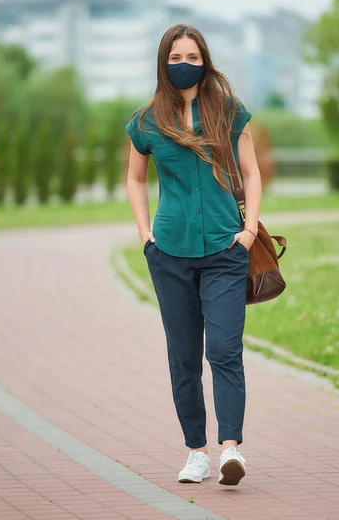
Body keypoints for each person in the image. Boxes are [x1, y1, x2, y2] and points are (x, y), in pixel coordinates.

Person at [125, 24, 262, 486]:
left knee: (224, 350)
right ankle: (196, 452)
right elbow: (133, 178)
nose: (184, 65)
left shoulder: (228, 112)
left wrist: (248, 231)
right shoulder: (146, 121)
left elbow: (252, 171)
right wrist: (146, 234)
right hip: (171, 255)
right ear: (164, 62)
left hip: (226, 250)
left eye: (193, 57)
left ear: (206, 60)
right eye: (176, 57)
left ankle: (231, 450)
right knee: (183, 356)